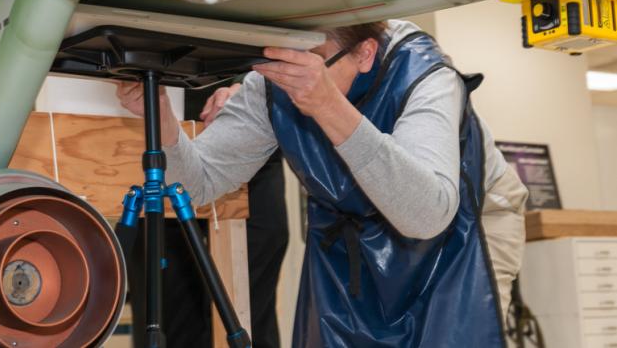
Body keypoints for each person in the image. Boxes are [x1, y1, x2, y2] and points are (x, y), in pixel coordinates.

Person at [117, 20, 528, 347]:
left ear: (365, 53)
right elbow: (200, 183)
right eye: (283, 62)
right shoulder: (273, 82)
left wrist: (328, 105)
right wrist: (163, 120)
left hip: (463, 227)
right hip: (354, 222)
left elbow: (426, 215)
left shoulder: (427, 78)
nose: (290, 79)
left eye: (310, 64)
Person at [128, 83, 289, 348]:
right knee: (169, 311)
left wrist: (248, 84)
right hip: (155, 128)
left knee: (250, 308)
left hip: (245, 123)